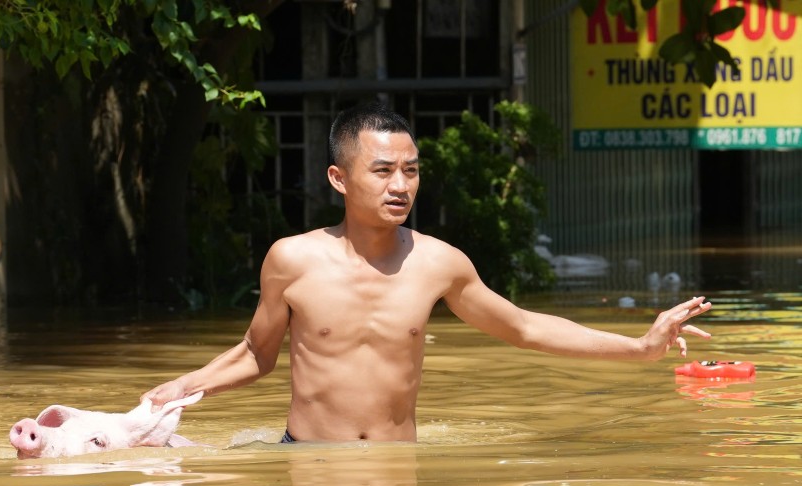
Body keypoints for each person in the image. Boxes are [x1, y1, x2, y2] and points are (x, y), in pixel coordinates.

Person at [141, 102, 711, 442]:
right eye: (384, 170)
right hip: (307, 460)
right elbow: (255, 353)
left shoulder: (439, 263)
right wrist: (183, 388)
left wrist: (640, 347)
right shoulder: (291, 259)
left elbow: (524, 328)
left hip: (396, 465)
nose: (401, 186)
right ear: (339, 179)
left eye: (410, 171)